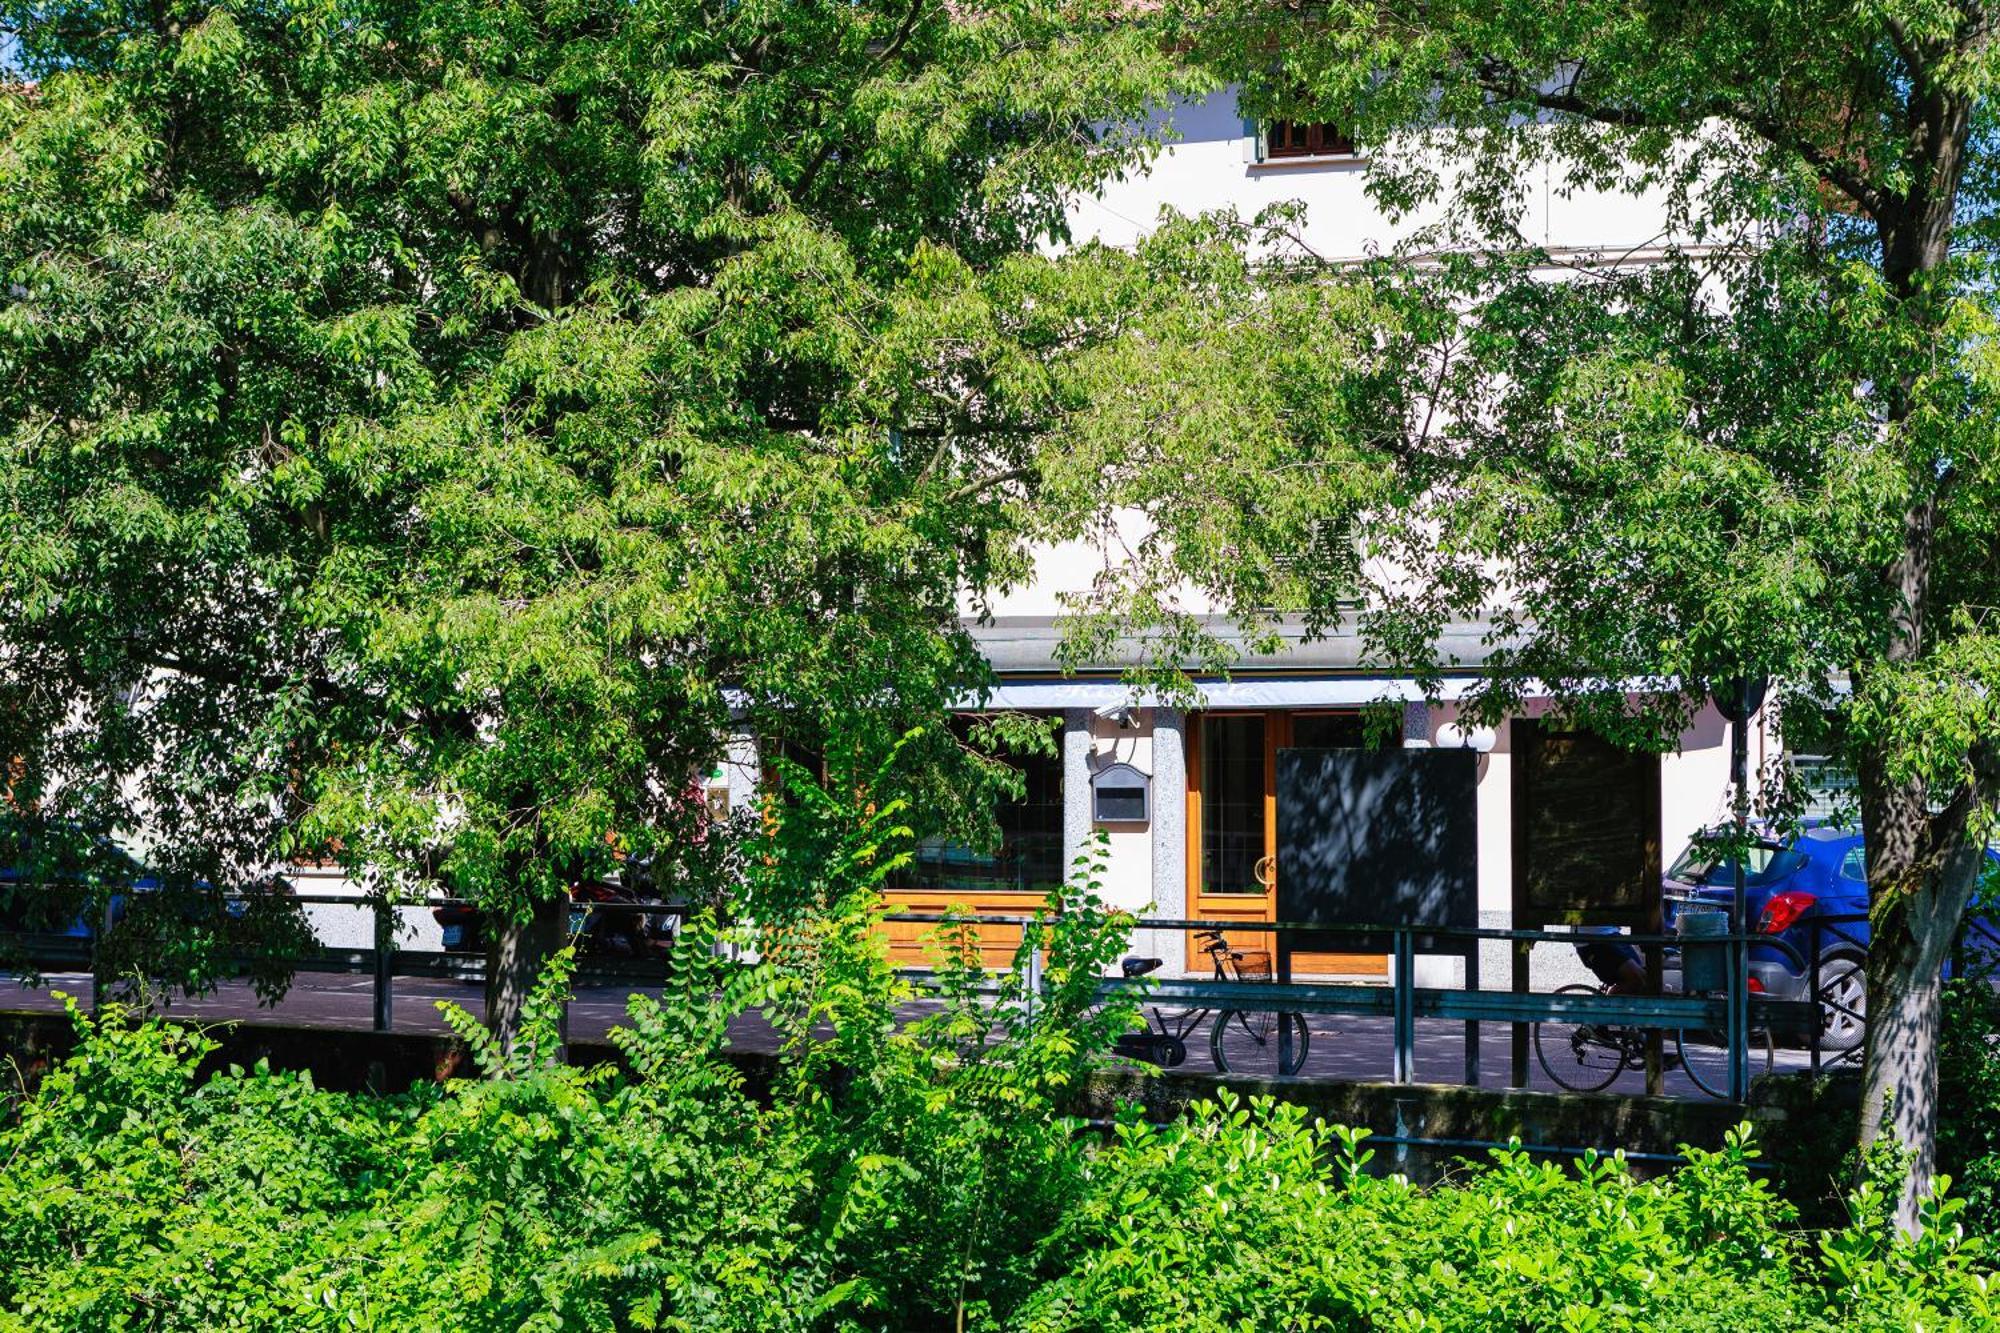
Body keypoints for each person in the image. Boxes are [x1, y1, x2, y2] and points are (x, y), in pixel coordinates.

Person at [1574, 925, 1649, 994]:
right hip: (1592, 939)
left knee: (1644, 979)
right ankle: (1607, 1006)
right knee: (1636, 979)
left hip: (1611, 934)